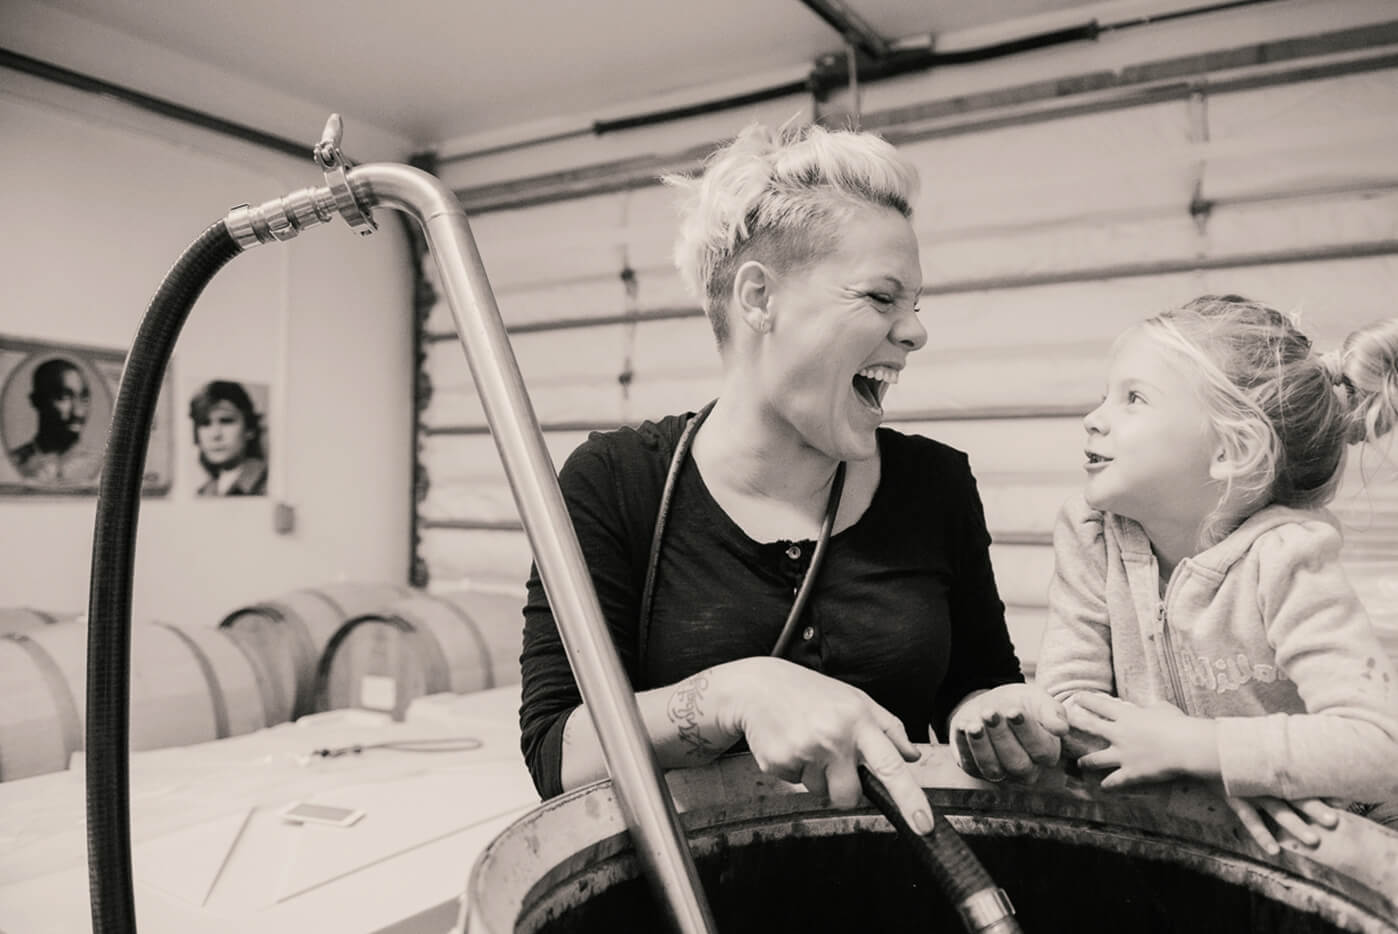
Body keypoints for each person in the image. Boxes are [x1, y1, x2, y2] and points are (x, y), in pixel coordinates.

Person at [518, 121, 1066, 834]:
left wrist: (993, 714)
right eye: (881, 298)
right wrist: (737, 693)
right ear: (758, 298)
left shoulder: (936, 483)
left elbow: (973, 685)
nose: (915, 332)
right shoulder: (614, 483)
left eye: (916, 305)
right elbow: (557, 754)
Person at [1035, 294, 1398, 853]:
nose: (1093, 418)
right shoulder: (1092, 535)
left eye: (1133, 398)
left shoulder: (1286, 558)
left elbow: (1379, 746)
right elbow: (1067, 701)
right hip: (1205, 833)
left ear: (1232, 450)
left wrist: (1206, 750)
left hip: (1342, 848)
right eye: (1104, 395)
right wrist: (1200, 771)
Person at [8, 356, 101, 484]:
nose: (78, 412)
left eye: (84, 398)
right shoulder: (16, 462)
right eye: (63, 397)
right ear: (37, 401)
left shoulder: (100, 465)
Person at [189, 380, 267, 496]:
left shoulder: (268, 485)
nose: (215, 435)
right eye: (205, 423)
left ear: (249, 428)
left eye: (226, 421)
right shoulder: (204, 492)